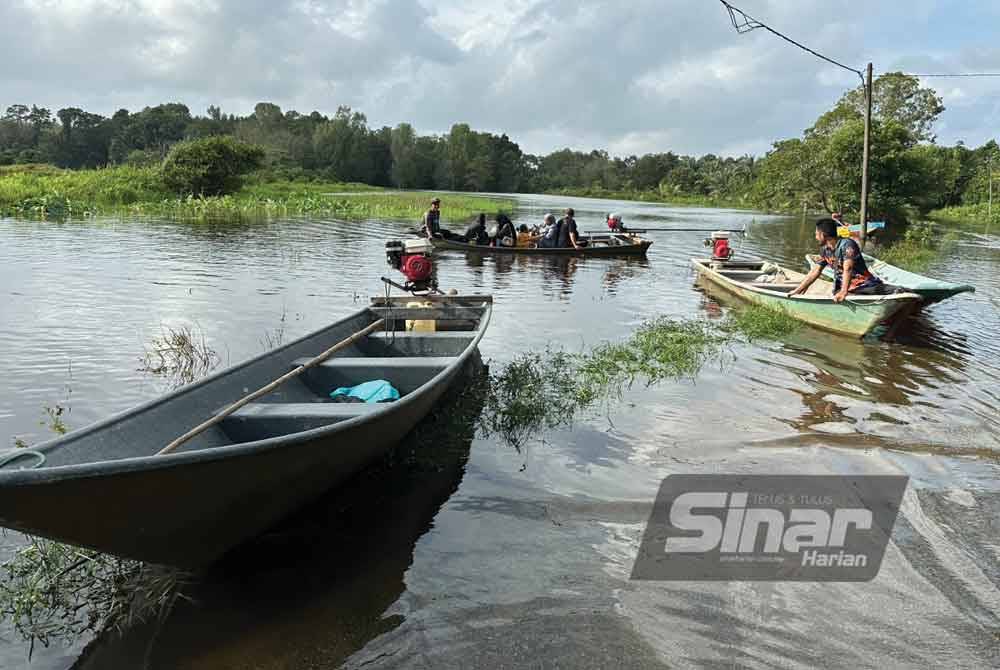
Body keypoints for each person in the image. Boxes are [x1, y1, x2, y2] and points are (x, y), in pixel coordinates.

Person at [791, 218, 884, 302]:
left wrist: (844, 292)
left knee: (888, 290)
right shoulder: (825, 249)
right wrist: (799, 289)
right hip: (845, 287)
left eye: (816, 234)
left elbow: (848, 269)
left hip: (864, 284)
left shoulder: (847, 245)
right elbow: (815, 270)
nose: (816, 237)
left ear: (823, 235)